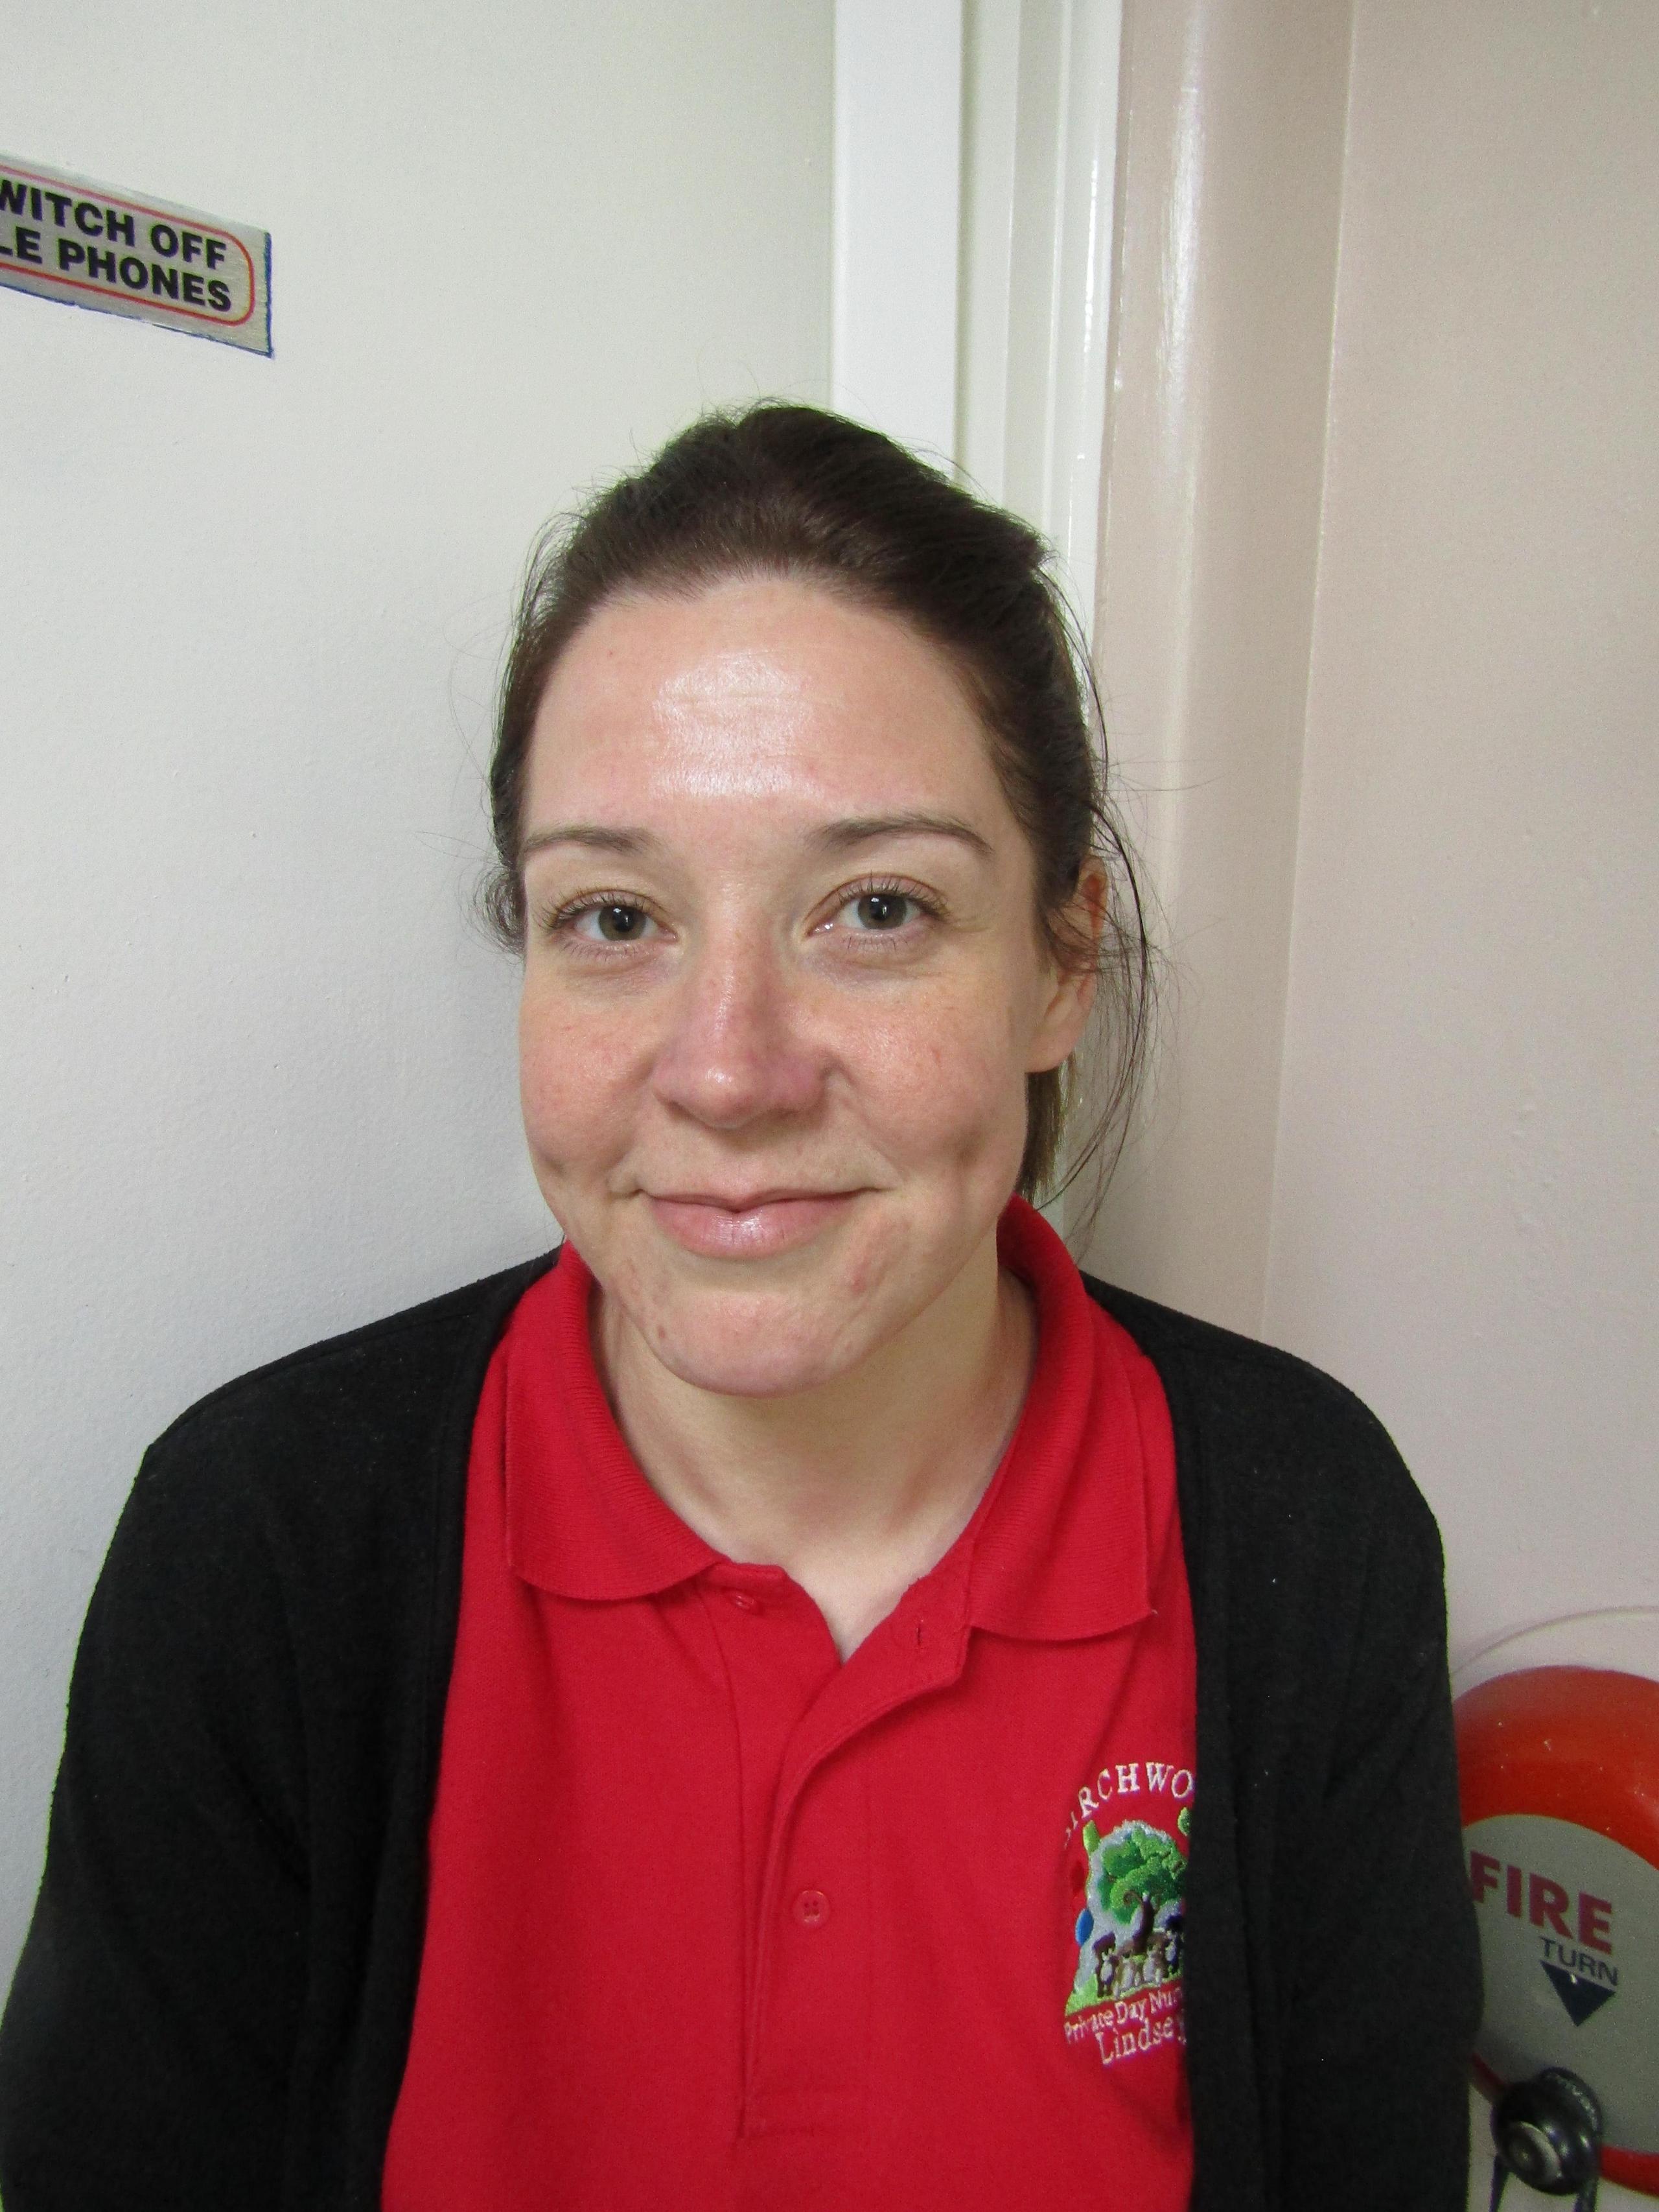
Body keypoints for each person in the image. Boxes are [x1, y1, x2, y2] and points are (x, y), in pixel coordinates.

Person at [0, 402, 1481, 2211]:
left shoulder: (1306, 1531)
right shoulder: (263, 1549)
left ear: (1061, 963)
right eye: (617, 918)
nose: (727, 1071)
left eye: (877, 908)